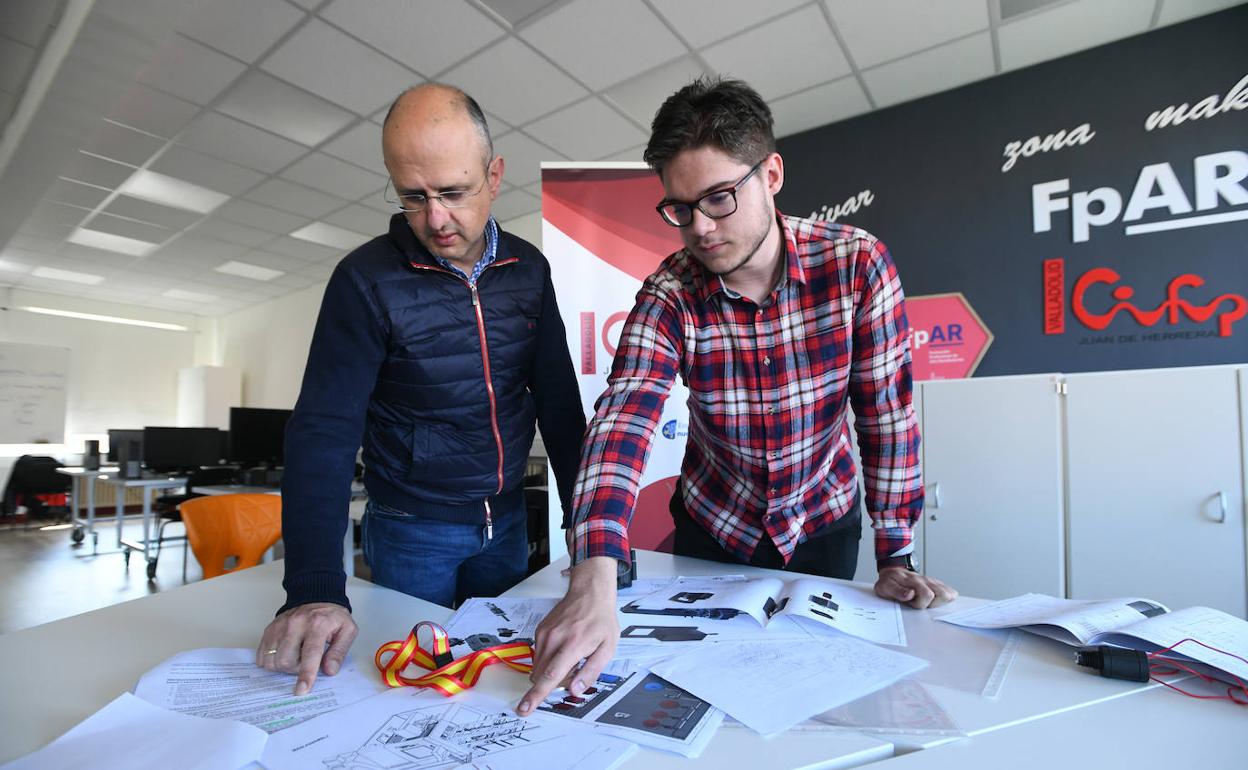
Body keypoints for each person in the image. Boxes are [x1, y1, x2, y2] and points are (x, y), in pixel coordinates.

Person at [517, 77, 956, 715]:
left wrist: (897, 553)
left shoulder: (857, 265)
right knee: (711, 694)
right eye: (680, 207)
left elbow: (886, 418)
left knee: (812, 697)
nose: (699, 227)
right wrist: (594, 572)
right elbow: (624, 418)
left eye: (719, 198)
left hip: (823, 523)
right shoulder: (670, 291)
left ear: (771, 173)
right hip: (713, 528)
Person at [256, 84, 586, 695]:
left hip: (509, 523)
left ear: (495, 175)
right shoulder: (365, 281)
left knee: (499, 685)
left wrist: (588, 535)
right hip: (412, 529)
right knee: (407, 692)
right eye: (414, 197)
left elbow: (560, 406)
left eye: (454, 193)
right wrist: (315, 589)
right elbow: (323, 433)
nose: (435, 219)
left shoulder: (529, 271)